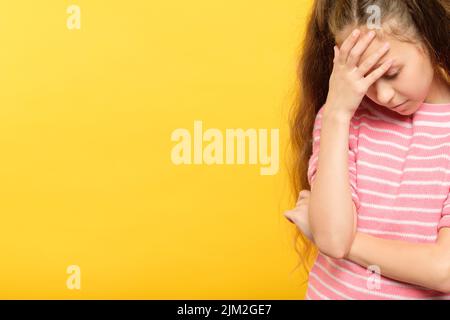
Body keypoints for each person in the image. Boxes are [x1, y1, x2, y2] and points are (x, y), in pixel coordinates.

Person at [284, 0, 450, 299]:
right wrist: (336, 112)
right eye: (366, 79)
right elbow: (333, 239)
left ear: (429, 37)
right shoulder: (341, 118)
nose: (383, 95)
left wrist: (349, 242)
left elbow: (444, 271)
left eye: (392, 73)